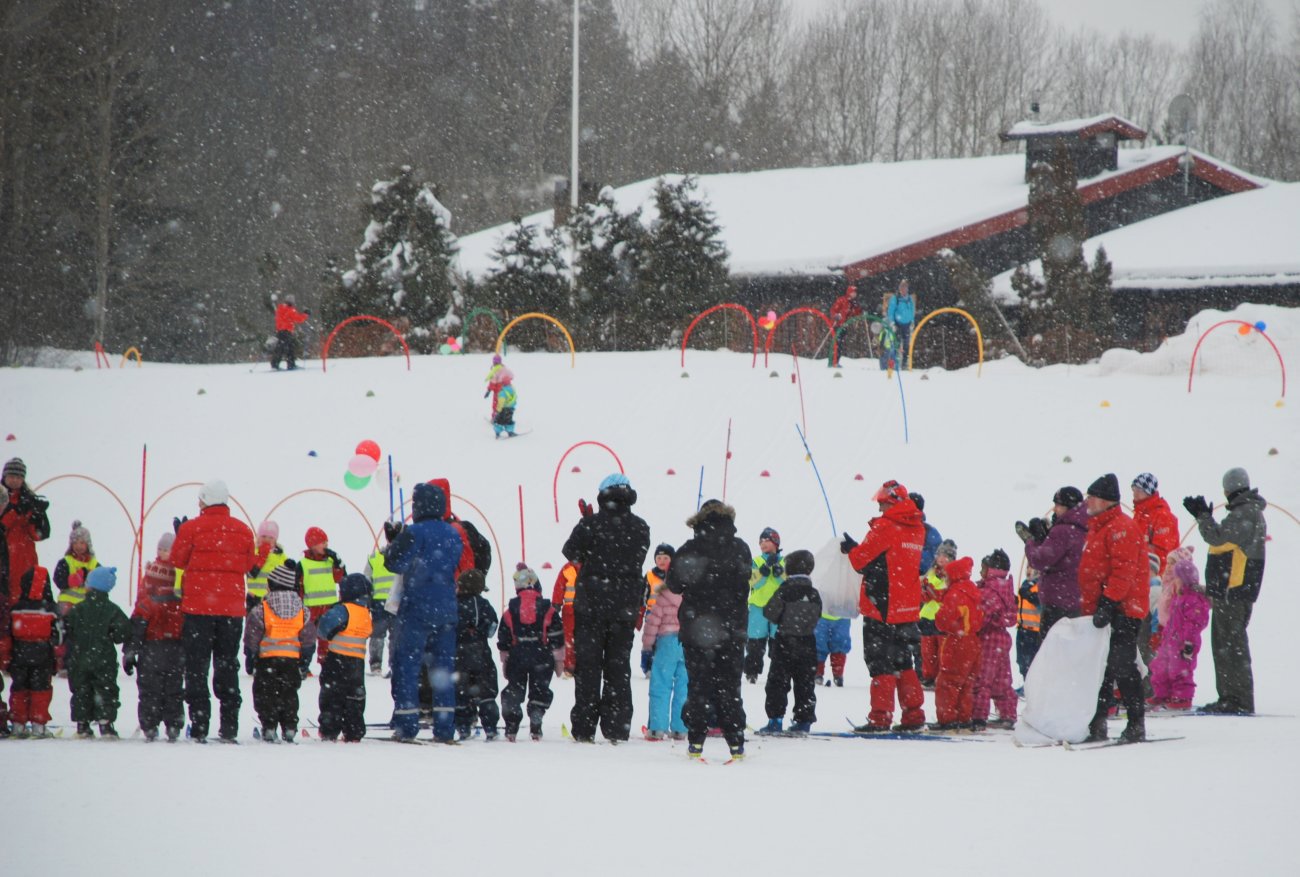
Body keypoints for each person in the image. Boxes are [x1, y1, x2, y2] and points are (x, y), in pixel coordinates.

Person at [171, 479, 264, 743]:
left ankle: (200, 726)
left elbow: (178, 560)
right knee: (227, 665)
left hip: (197, 609)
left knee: (197, 668)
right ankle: (229, 726)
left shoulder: (191, 529)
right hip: (231, 612)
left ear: (204, 500)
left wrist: (180, 535)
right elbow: (250, 565)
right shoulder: (243, 530)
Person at [560, 473, 651, 744]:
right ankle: (617, 726)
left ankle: (584, 727)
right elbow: (635, 557)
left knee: (588, 668)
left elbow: (571, 552)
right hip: (624, 608)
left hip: (591, 607)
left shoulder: (591, 525)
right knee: (618, 668)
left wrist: (587, 525)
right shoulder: (641, 527)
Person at [664, 498, 752, 761]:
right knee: (730, 688)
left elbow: (674, 584)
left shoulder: (690, 548)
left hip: (697, 630)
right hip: (732, 629)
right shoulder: (740, 547)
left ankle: (696, 744)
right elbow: (745, 579)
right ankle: (736, 744)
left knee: (699, 687)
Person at [384, 481, 468, 743]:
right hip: (447, 608)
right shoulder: (453, 533)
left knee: (407, 665)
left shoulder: (415, 532)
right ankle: (444, 727)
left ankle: (407, 724)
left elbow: (394, 563)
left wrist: (396, 540)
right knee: (443, 670)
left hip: (417, 606)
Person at [841, 480, 927, 733]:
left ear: (891, 502)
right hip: (906, 607)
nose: (879, 508)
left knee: (880, 662)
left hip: (881, 605)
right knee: (904, 663)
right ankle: (913, 715)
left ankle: (880, 717)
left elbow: (861, 560)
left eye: (882, 504)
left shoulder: (886, 526)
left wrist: (852, 548)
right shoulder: (917, 528)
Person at [1183, 467, 1267, 715]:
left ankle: (1236, 699)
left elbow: (1217, 537)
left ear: (1229, 489)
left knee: (1229, 645)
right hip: (1234, 590)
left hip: (1233, 590)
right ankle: (1232, 697)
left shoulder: (1245, 513)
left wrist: (1203, 518)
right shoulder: (1248, 512)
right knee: (1228, 644)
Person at [1078, 473, 1148, 743]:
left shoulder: (1122, 528)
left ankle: (1136, 722)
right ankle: (1097, 723)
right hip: (1102, 609)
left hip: (1123, 610)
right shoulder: (1098, 527)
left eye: (1091, 497)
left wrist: (1108, 601)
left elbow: (1123, 571)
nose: (1087, 501)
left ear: (1105, 500)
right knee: (1100, 668)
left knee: (1122, 665)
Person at [244, 561, 316, 743]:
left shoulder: (261, 609)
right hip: (291, 660)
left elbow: (252, 637)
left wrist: (251, 658)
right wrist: (304, 661)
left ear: (271, 585)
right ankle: (289, 726)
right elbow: (308, 639)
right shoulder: (303, 610)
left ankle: (269, 726)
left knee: (265, 693)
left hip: (267, 660)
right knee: (289, 694)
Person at [124, 532, 186, 742]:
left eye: (166, 549)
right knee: (170, 688)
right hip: (168, 646)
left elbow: (138, 622)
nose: (162, 552)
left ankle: (154, 724)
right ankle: (170, 724)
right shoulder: (177, 602)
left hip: (155, 646)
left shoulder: (151, 603)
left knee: (153, 689)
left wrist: (131, 649)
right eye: (160, 548)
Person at [758, 550, 822, 736]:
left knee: (778, 682)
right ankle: (804, 721)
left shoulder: (784, 590)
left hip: (785, 641)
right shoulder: (814, 593)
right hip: (808, 642)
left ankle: (775, 719)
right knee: (805, 683)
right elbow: (817, 615)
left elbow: (770, 612)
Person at [497, 564, 564, 741]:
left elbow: (503, 637)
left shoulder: (511, 610)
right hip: (542, 654)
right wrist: (558, 659)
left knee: (514, 690)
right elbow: (557, 636)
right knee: (540, 689)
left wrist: (505, 657)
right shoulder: (548, 609)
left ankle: (511, 726)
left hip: (517, 654)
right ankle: (536, 715)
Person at [65, 566, 132, 738]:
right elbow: (122, 633)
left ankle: (82, 725)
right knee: (105, 689)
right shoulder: (112, 610)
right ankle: (105, 724)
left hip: (80, 657)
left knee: (81, 689)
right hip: (104, 658)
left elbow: (67, 630)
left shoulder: (78, 609)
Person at [1016, 486, 1086, 635]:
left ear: (1068, 506)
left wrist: (1032, 541)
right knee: (1070, 644)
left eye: (1058, 505)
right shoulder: (1083, 528)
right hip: (1076, 600)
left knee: (1052, 646)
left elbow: (1039, 560)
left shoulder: (1063, 531)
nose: (1054, 509)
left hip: (1057, 602)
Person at [316, 573, 373, 743]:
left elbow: (324, 629)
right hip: (357, 662)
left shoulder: (343, 610)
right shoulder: (366, 613)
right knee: (355, 697)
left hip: (337, 659)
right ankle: (354, 730)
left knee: (332, 696)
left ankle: (329, 729)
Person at [1148, 558, 1210, 711]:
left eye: (1177, 578)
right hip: (1170, 640)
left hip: (1184, 643)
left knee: (1180, 669)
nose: (1174, 581)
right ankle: (1163, 693)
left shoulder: (1194, 599)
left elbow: (1195, 623)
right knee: (1160, 667)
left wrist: (1188, 642)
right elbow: (1171, 621)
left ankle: (1182, 697)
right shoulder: (1178, 597)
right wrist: (1163, 636)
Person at [930, 556, 983, 732]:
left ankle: (947, 719)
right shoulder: (971, 589)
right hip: (974, 640)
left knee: (948, 681)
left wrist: (938, 615)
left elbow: (944, 620)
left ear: (953, 575)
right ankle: (963, 717)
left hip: (958, 641)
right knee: (966, 683)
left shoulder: (955, 593)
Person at [6, 566, 59, 738]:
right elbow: (58, 635)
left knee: (19, 689)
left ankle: (18, 724)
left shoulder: (16, 608)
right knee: (41, 690)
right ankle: (38, 724)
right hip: (42, 655)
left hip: (19, 655)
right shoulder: (50, 609)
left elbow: (8, 633)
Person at [641, 559, 688, 741]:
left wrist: (647, 646)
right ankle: (680, 728)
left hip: (667, 642)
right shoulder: (692, 596)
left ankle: (657, 728)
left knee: (661, 684)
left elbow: (652, 623)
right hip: (687, 643)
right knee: (684, 687)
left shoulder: (663, 596)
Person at [971, 550, 1018, 731]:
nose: (980, 572)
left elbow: (981, 616)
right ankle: (1008, 714)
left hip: (988, 639)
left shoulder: (989, 590)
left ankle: (978, 716)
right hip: (1002, 638)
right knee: (1002, 680)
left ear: (991, 569)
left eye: (983, 568)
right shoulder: (1006, 587)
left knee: (982, 679)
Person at [454, 568, 501, 740]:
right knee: (486, 692)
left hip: (458, 653)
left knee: (461, 692)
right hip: (481, 652)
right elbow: (492, 627)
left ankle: (463, 726)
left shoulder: (454, 604)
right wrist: (479, 631)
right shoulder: (484, 604)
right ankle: (490, 727)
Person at [2, 457, 51, 606]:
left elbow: (40, 534)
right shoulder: (3, 499)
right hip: (4, 558)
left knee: (22, 602)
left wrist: (38, 515)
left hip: (25, 559)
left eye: (19, 477)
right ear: (4, 476)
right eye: (12, 476)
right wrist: (15, 511)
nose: (15, 480)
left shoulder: (29, 500)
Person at [298, 526, 346, 670]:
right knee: (308, 639)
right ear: (312, 545)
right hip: (310, 608)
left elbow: (341, 578)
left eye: (326, 542)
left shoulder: (331, 562)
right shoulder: (303, 564)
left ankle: (327, 666)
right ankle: (303, 666)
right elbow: (299, 587)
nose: (326, 545)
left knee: (327, 639)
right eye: (322, 542)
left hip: (329, 607)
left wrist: (338, 562)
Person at [745, 527, 784, 682]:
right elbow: (754, 583)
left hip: (778, 607)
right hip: (758, 607)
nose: (763, 544)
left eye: (766, 540)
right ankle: (752, 672)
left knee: (778, 641)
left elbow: (785, 582)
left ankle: (777, 671)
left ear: (775, 542)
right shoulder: (756, 561)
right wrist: (765, 569)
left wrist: (778, 571)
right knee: (755, 640)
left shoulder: (784, 561)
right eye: (760, 541)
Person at [917, 538, 957, 687]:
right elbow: (923, 594)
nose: (941, 558)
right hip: (926, 617)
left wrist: (931, 592)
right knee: (927, 651)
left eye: (946, 556)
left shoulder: (952, 576)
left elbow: (945, 595)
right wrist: (927, 592)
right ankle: (928, 677)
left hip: (942, 619)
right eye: (940, 555)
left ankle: (940, 677)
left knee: (942, 651)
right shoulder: (930, 573)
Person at [1131, 473, 1180, 574]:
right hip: (1140, 574)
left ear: (1149, 492)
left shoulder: (1163, 517)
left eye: (1139, 490)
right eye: (1134, 489)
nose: (1135, 493)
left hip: (1157, 577)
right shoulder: (1139, 515)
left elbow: (1162, 555)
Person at [365, 541, 398, 676]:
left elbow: (367, 581)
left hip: (380, 603)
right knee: (395, 636)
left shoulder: (374, 558)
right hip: (395, 602)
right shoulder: (404, 556)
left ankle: (376, 665)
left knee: (378, 635)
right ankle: (394, 665)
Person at [640, 543, 674, 676]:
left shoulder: (675, 576)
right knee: (649, 640)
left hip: (669, 615)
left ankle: (664, 667)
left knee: (666, 641)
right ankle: (648, 667)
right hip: (652, 614)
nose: (662, 561)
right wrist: (641, 610)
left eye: (666, 558)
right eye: (659, 558)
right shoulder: (650, 576)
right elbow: (643, 595)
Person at [53, 520, 99, 616]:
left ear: (88, 544)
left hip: (86, 606)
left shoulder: (94, 564)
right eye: (75, 543)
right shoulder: (65, 561)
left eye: (82, 543)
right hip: (66, 605)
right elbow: (59, 580)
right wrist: (75, 579)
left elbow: (102, 582)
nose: (78, 546)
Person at [245, 520, 287, 612]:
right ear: (258, 537)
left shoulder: (280, 556)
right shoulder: (254, 552)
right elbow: (250, 573)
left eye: (271, 537)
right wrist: (262, 556)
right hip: (254, 596)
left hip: (273, 598)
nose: (267, 539)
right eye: (263, 536)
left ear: (275, 540)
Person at [551, 559, 579, 677]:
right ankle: (585, 664)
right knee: (586, 637)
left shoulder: (567, 568)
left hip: (569, 610)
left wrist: (556, 603)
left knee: (569, 638)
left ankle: (569, 665)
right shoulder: (591, 565)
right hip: (587, 610)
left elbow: (559, 587)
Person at [1015, 570, 1042, 687]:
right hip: (1022, 629)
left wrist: (1031, 597)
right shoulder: (1025, 584)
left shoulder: (1041, 585)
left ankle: (1034, 687)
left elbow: (1042, 605)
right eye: (1027, 567)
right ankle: (1026, 685)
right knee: (1021, 661)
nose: (1028, 571)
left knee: (1032, 662)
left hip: (1034, 632)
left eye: (1031, 568)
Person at [881, 279, 916, 371]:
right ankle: (895, 364)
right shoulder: (895, 298)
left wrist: (912, 321)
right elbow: (891, 312)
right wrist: (892, 323)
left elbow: (912, 311)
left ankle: (904, 364)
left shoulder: (909, 299)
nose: (904, 289)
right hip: (897, 325)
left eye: (905, 287)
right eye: (902, 287)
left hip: (907, 325)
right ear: (899, 288)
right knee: (896, 345)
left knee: (907, 345)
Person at [270, 293, 309, 370]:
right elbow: (299, 319)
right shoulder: (290, 310)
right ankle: (290, 364)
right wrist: (306, 314)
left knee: (280, 348)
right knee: (289, 348)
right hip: (286, 331)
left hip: (280, 331)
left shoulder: (280, 308)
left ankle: (275, 364)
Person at [814, 609, 851, 687]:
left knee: (839, 645)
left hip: (839, 615)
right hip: (826, 614)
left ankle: (837, 674)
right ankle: (818, 673)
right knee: (819, 644)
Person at [829, 285, 863, 365]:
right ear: (849, 292)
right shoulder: (842, 300)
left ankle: (836, 361)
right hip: (837, 325)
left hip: (844, 326)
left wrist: (860, 310)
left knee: (840, 345)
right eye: (853, 292)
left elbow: (856, 313)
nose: (854, 294)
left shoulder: (853, 303)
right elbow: (833, 310)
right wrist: (836, 315)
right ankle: (834, 361)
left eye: (855, 293)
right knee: (837, 344)